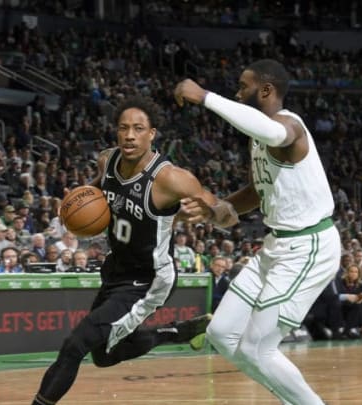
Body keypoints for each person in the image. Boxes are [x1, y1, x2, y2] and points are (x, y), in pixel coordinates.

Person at [175, 59, 341, 404]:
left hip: (308, 246)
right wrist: (220, 208)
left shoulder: (288, 126)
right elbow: (258, 190)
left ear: (266, 90)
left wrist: (205, 96)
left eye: (243, 87)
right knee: (221, 334)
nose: (238, 92)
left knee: (257, 348)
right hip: (276, 246)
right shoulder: (259, 139)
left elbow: (273, 133)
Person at [31, 96, 214, 405]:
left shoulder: (170, 178)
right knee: (103, 355)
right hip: (116, 272)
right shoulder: (107, 162)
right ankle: (179, 332)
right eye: (123, 128)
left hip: (149, 279)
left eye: (138, 128)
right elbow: (95, 193)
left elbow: (214, 204)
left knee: (76, 344)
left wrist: (208, 211)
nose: (130, 135)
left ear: (152, 133)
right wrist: (78, 202)